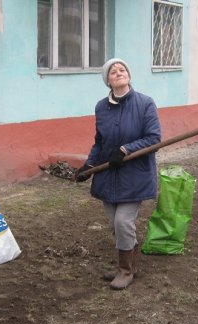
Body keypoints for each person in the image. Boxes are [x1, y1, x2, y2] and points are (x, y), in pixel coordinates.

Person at [75, 58, 162, 290]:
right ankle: (131, 266)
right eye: (113, 72)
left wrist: (126, 149)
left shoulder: (145, 103)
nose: (119, 73)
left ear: (128, 75)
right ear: (108, 81)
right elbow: (100, 142)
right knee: (116, 225)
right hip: (107, 176)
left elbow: (154, 139)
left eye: (122, 69)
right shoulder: (101, 107)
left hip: (134, 175)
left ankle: (125, 271)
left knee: (123, 222)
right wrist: (88, 166)